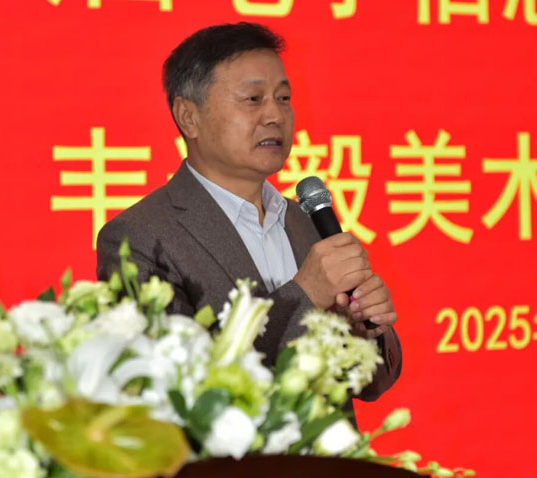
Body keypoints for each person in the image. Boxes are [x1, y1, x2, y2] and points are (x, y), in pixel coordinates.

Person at [97, 21, 401, 399]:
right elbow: (175, 388)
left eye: (283, 98)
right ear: (189, 116)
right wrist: (306, 294)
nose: (275, 115)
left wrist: (359, 334)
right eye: (253, 99)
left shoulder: (304, 221)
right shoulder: (140, 238)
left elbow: (371, 385)